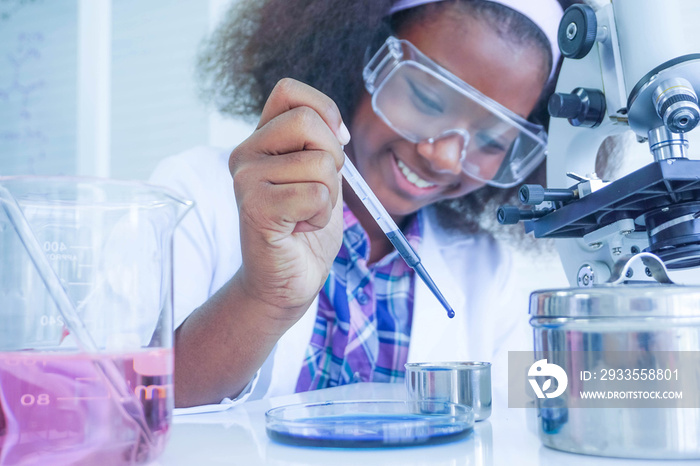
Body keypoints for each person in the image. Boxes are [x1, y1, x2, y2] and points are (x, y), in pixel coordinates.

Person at [150, 0, 575, 408]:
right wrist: (265, 297)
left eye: (490, 141)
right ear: (360, 55)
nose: (444, 157)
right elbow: (136, 403)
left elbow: (527, 408)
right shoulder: (192, 195)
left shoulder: (486, 269)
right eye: (427, 101)